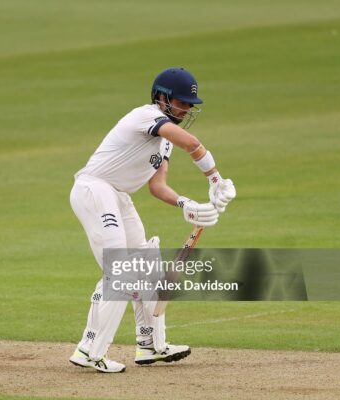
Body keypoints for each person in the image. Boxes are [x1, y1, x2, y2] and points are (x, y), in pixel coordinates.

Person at [68, 67, 236, 373]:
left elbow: (157, 186)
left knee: (145, 263)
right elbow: (193, 143)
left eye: (189, 105)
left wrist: (187, 204)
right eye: (181, 103)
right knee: (121, 270)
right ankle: (89, 349)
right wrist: (214, 178)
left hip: (119, 195)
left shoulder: (165, 141)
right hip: (95, 188)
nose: (186, 109)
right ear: (161, 97)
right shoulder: (144, 116)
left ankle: (150, 346)